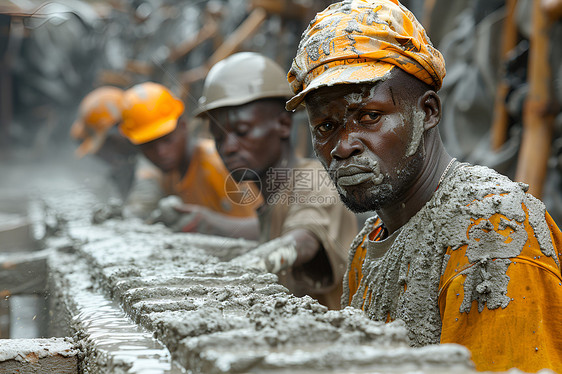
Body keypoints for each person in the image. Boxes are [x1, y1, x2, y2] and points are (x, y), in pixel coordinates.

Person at [286, 0, 562, 372]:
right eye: (325, 126)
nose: (343, 145)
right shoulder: (368, 244)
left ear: (428, 112)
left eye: (369, 116)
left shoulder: (490, 230)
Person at [195, 52, 358, 309]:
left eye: (242, 132)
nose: (228, 147)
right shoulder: (275, 195)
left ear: (283, 124)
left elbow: (302, 240)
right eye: (219, 137)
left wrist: (232, 274)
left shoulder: (312, 178)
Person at [119, 81, 260, 238]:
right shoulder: (170, 172)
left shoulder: (221, 166)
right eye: (149, 146)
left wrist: (211, 223)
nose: (161, 152)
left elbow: (269, 227)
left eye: (167, 140)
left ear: (184, 125)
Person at [70, 86, 138, 198]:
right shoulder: (124, 168)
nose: (101, 156)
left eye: (104, 147)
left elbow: (142, 202)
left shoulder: (150, 162)